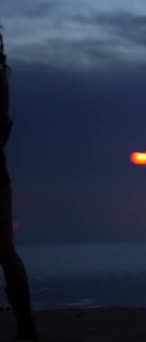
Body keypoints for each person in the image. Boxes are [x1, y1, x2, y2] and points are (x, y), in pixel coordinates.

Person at [0, 30, 39, 340]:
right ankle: (26, 325)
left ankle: (26, 324)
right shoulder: (3, 79)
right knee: (6, 250)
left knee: (6, 251)